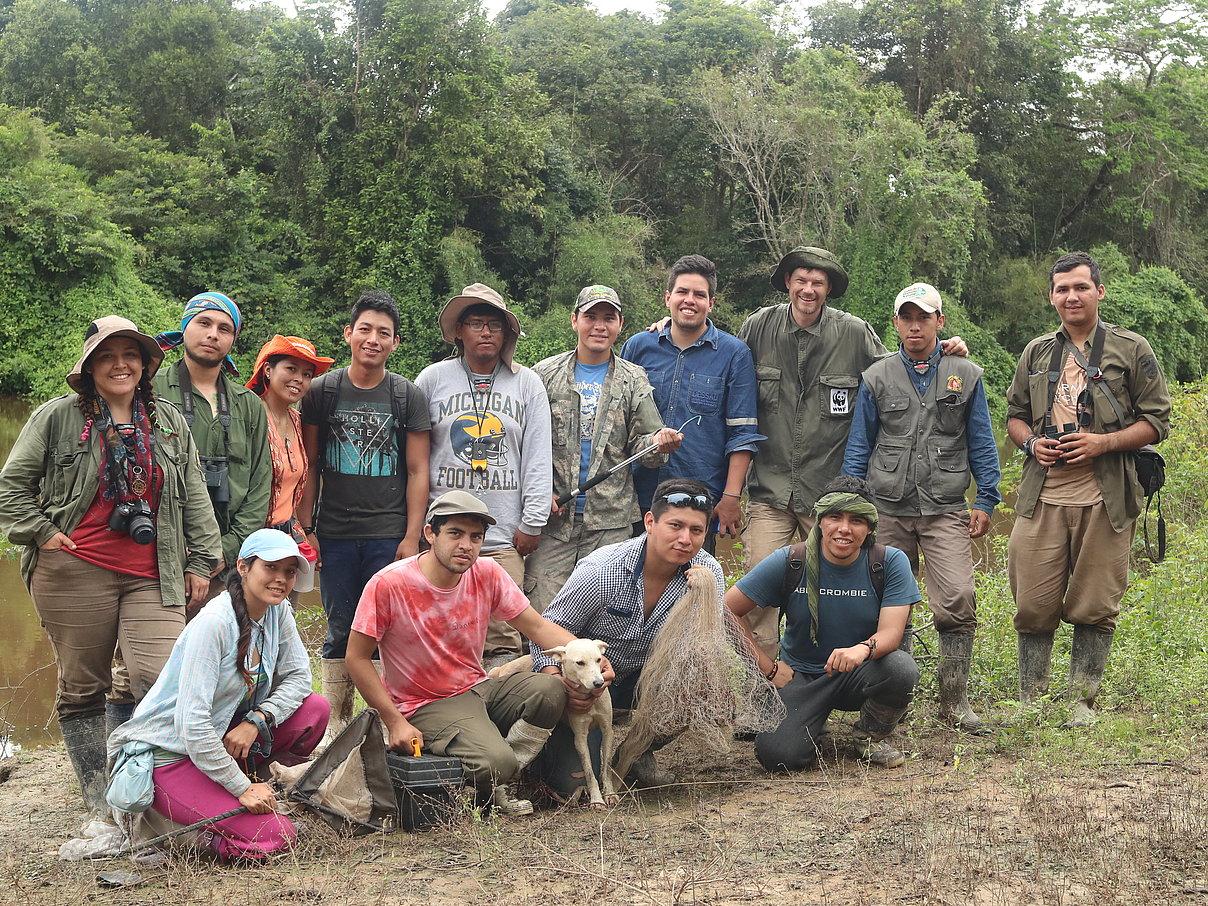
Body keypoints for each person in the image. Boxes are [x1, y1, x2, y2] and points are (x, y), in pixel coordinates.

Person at [0, 316, 222, 821]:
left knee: (162, 678)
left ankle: (152, 793)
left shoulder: (166, 419)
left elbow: (195, 500)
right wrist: (43, 533)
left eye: (130, 355)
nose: (119, 364)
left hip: (154, 570)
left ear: (145, 365)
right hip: (72, 569)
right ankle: (100, 803)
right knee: (84, 686)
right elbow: (10, 489)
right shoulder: (57, 418)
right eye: (107, 356)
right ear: (90, 367)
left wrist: (203, 560)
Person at [738, 247, 967, 658]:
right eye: (801, 279)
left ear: (828, 289)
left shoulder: (854, 332)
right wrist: (680, 327)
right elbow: (725, 365)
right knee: (760, 597)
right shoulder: (758, 327)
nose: (808, 289)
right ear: (787, 283)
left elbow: (898, 373)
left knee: (839, 594)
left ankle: (832, 680)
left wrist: (940, 352)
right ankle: (768, 691)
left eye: (818, 282)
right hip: (768, 490)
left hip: (831, 496)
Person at [347, 491, 585, 817]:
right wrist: (396, 722)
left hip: (477, 687)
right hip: (425, 704)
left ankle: (501, 779)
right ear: (430, 534)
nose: (466, 545)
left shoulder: (486, 572)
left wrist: (590, 658)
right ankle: (494, 772)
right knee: (495, 761)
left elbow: (538, 628)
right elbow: (356, 658)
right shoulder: (390, 583)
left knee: (550, 689)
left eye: (476, 537)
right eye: (455, 534)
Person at [1006, 252, 1170, 726]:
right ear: (1052, 296)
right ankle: (1031, 700)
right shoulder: (1036, 352)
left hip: (1107, 495)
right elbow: (1015, 416)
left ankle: (1082, 703)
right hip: (1043, 494)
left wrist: (1103, 443)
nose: (1071, 296)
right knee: (1032, 601)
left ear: (1099, 291)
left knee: (1096, 601)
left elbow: (1157, 421)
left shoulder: (1131, 348)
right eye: (1062, 289)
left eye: (1080, 287)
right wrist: (1033, 443)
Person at [108, 529, 329, 863]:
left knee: (315, 709)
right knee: (278, 834)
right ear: (243, 566)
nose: (281, 579)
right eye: (271, 567)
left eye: (289, 571)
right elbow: (192, 726)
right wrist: (239, 787)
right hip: (171, 755)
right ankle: (182, 830)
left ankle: (249, 789)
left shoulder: (277, 611)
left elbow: (299, 679)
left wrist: (258, 719)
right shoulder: (214, 622)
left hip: (221, 736)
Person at [841, 283, 1001, 733]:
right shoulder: (876, 377)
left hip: (945, 506)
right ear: (895, 323)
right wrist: (854, 505)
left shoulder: (965, 373)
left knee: (958, 598)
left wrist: (986, 498)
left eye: (924, 317)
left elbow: (982, 442)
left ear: (939, 322)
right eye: (906, 317)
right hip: (887, 507)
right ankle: (895, 701)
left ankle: (954, 703)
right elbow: (859, 446)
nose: (915, 325)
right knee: (891, 605)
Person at [529, 478, 726, 795]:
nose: (685, 539)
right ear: (650, 521)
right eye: (675, 526)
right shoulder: (603, 569)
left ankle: (636, 751)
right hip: (585, 681)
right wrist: (561, 682)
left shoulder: (708, 572)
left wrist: (702, 595)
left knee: (703, 683)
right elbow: (547, 628)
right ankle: (551, 745)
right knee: (570, 786)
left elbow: (705, 646)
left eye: (696, 531)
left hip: (643, 679)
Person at [299, 290, 431, 741]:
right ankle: (337, 724)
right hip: (334, 533)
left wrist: (413, 536)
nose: (373, 339)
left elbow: (417, 469)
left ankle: (383, 722)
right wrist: (307, 527)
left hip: (388, 533)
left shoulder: (406, 395)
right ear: (348, 333)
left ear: (395, 343)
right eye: (366, 329)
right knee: (340, 626)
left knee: (388, 630)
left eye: (384, 333)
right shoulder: (323, 391)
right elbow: (311, 462)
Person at [724, 477, 921, 771]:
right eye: (834, 517)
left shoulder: (888, 561)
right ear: (819, 521)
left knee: (901, 668)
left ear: (870, 528)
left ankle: (870, 734)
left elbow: (892, 632)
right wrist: (769, 668)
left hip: (859, 672)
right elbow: (726, 610)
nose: (844, 528)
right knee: (779, 758)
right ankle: (807, 723)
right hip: (801, 677)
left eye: (856, 520)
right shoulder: (791, 560)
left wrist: (862, 650)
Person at [416, 284, 553, 667]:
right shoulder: (432, 379)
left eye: (495, 324)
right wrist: (417, 526)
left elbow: (538, 457)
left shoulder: (527, 384)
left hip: (503, 534)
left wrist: (532, 522)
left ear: (506, 332)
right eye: (476, 323)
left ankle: (497, 715)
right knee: (440, 629)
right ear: (459, 330)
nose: (486, 332)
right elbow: (417, 459)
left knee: (504, 637)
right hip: (442, 532)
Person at [525, 285, 683, 613]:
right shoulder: (543, 374)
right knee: (543, 615)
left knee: (602, 614)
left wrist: (659, 443)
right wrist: (538, 495)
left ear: (620, 324)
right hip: (552, 522)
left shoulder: (633, 378)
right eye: (590, 317)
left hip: (610, 524)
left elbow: (646, 445)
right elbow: (526, 444)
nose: (599, 326)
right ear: (574, 321)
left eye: (608, 318)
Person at [620, 255, 763, 554]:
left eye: (699, 295)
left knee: (695, 588)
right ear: (668, 297)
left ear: (711, 303)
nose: (690, 300)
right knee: (631, 587)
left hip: (698, 501)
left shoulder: (734, 354)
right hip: (637, 496)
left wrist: (731, 497)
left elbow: (742, 434)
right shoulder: (638, 347)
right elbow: (619, 422)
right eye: (683, 292)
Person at [154, 291, 272, 597]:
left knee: (221, 644)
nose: (212, 334)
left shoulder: (249, 405)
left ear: (233, 339)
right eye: (203, 322)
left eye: (224, 328)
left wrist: (225, 549)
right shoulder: (148, 389)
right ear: (184, 328)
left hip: (226, 562)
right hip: (156, 557)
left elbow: (260, 486)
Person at [245, 335, 334, 541]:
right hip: (252, 537)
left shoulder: (296, 420)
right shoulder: (249, 416)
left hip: (288, 536)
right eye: (291, 369)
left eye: (307, 374)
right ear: (268, 370)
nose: (299, 379)